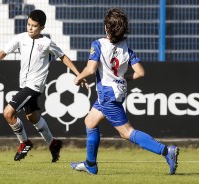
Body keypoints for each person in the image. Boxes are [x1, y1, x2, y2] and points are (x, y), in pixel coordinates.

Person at [70, 8, 179, 175]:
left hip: (107, 94)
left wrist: (78, 77)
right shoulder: (127, 49)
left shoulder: (98, 44)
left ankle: (166, 151)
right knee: (90, 122)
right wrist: (123, 78)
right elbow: (141, 72)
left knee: (126, 132)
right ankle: (90, 164)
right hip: (117, 92)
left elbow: (91, 69)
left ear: (106, 27)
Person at [0, 9, 86, 162]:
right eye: (29, 24)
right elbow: (5, 52)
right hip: (24, 85)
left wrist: (78, 74)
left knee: (8, 113)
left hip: (34, 86)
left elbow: (63, 57)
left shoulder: (46, 43)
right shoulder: (20, 38)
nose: (30, 28)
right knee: (32, 117)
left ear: (42, 28)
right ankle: (53, 143)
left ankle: (24, 143)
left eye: (34, 26)